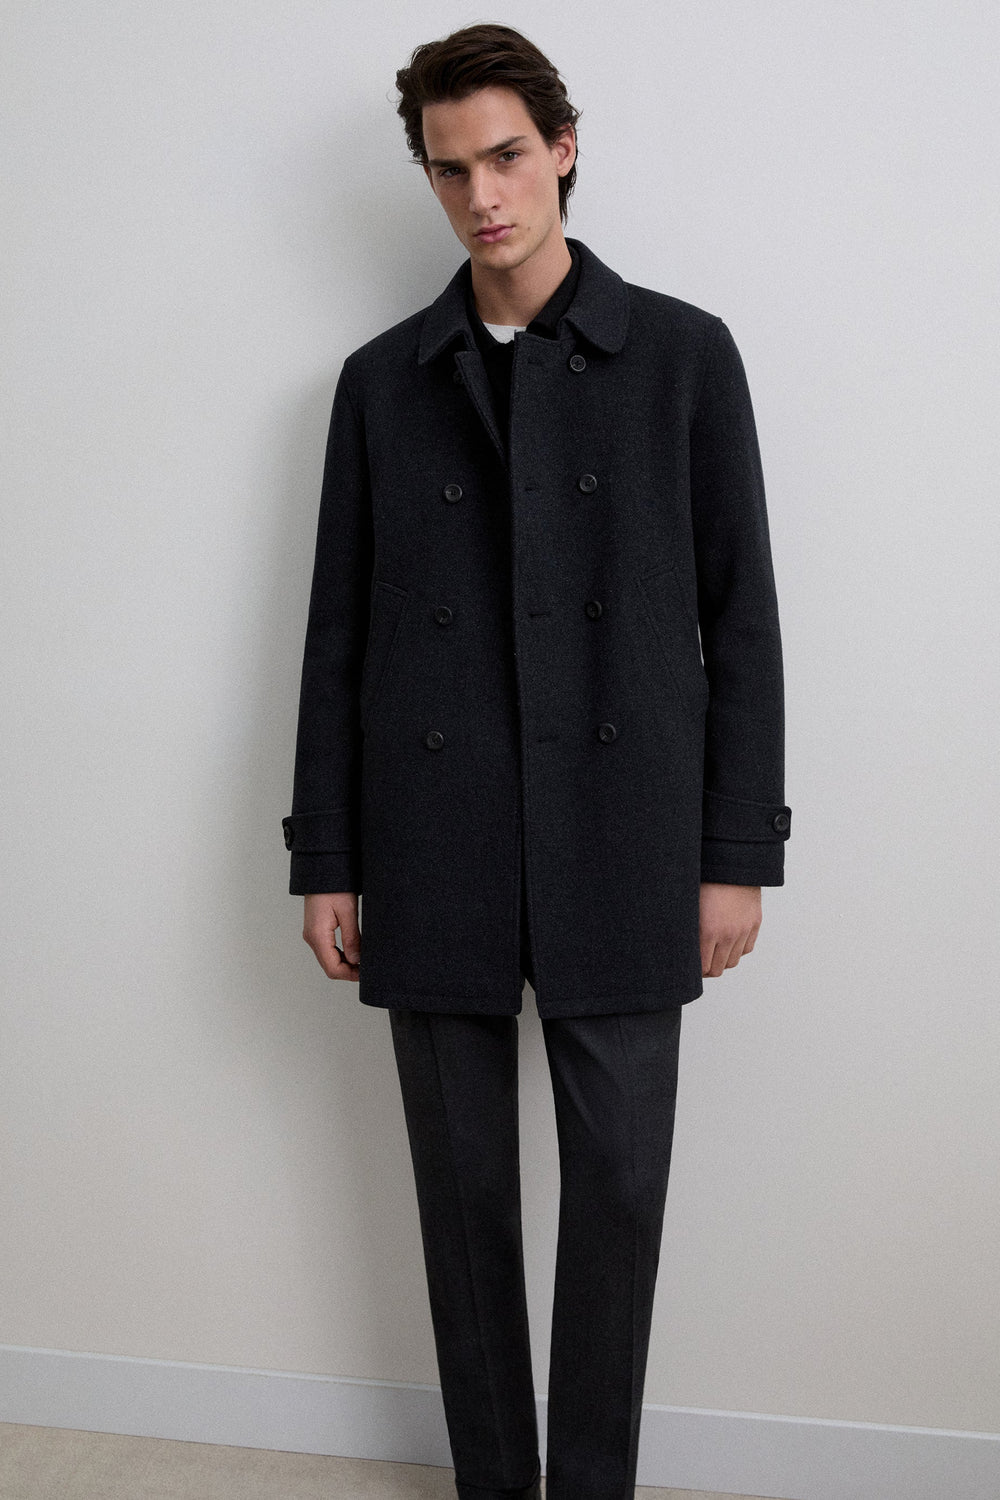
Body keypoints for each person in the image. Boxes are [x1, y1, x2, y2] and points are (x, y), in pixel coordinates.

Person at [281, 22, 791, 1500]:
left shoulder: (683, 357)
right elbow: (336, 636)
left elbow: (742, 619)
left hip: (628, 827)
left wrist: (737, 853)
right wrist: (328, 856)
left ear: (563, 150)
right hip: (432, 828)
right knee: (463, 1204)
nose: (482, 196)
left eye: (506, 157)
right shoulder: (382, 384)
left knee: (619, 1192)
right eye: (451, 171)